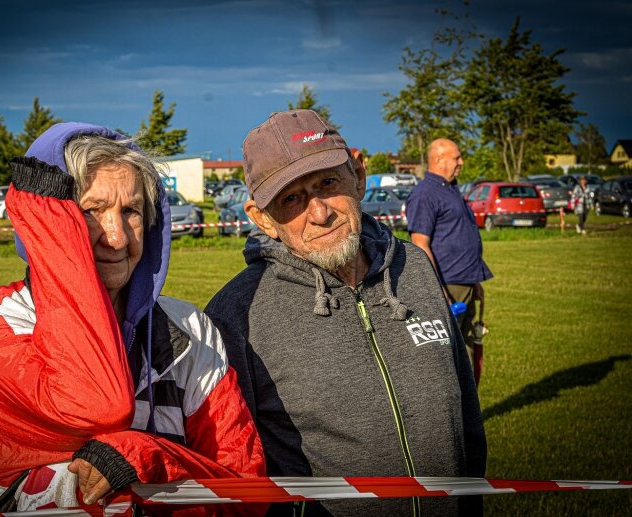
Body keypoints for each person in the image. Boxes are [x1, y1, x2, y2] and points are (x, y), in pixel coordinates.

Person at [0, 122, 265, 515]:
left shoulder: (190, 330)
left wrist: (149, 457)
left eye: (131, 211)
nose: (116, 237)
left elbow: (244, 489)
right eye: (91, 212)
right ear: (49, 223)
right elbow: (98, 405)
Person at [205, 111, 486, 516]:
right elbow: (232, 471)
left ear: (358, 175)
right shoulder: (236, 314)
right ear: (262, 218)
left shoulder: (415, 267)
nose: (320, 213)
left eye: (327, 183)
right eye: (291, 199)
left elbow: (466, 418)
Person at [406, 138, 493, 380]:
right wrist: (437, 289)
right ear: (438, 160)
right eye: (457, 158)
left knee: (466, 353)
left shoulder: (449, 188)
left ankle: (468, 415)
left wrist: (474, 281)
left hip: (463, 284)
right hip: (447, 287)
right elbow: (420, 243)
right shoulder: (425, 194)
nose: (461, 162)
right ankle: (455, 415)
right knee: (452, 360)